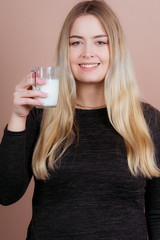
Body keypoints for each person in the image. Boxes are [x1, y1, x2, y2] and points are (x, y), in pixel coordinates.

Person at [0, 0, 160, 239]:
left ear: (115, 48)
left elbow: (157, 213)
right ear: (65, 51)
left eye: (100, 41)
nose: (87, 52)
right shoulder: (39, 115)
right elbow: (6, 194)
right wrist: (17, 117)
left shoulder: (147, 119)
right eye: (76, 42)